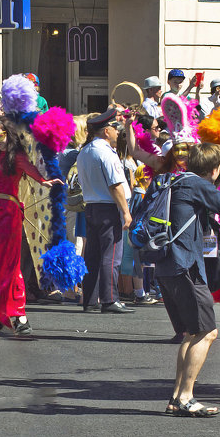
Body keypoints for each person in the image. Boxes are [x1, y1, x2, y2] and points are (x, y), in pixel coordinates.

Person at [155, 143, 220, 417]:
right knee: (207, 332)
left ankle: (177, 397)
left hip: (167, 265)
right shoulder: (199, 185)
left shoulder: (176, 180)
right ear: (215, 168)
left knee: (192, 332)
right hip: (186, 266)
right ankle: (186, 396)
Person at [0, 118, 60, 338]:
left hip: (9, 214)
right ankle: (13, 316)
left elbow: (32, 171)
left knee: (6, 266)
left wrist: (44, 181)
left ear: (9, 133)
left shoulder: (16, 157)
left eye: (1, 135)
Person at [77, 109, 135, 313]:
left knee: (92, 255)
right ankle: (110, 299)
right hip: (108, 207)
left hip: (92, 206)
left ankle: (90, 300)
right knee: (111, 256)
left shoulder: (86, 150)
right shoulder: (104, 152)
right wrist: (126, 212)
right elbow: (115, 185)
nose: (118, 132)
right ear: (106, 131)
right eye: (115, 128)